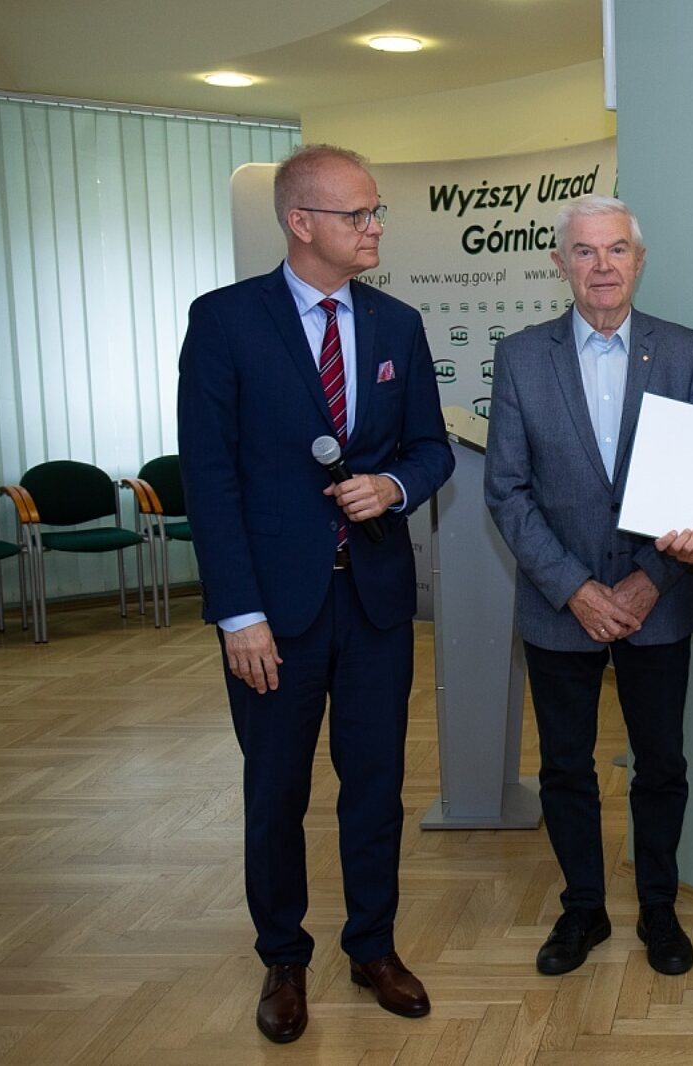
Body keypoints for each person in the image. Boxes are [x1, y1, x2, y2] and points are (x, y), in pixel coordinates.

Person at [178, 144, 454, 1043]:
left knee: (375, 787)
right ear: (301, 223)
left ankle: (372, 946)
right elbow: (210, 479)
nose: (375, 228)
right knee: (276, 793)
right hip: (273, 614)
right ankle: (284, 959)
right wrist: (239, 614)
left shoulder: (397, 324)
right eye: (357, 214)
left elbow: (432, 449)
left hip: (374, 603)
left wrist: (395, 486)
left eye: (376, 213)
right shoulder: (225, 321)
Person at [484, 195, 693, 978]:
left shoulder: (682, 350)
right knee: (564, 768)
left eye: (616, 249)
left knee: (662, 765)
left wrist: (651, 580)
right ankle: (583, 907)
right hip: (560, 609)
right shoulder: (521, 356)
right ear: (561, 263)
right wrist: (578, 589)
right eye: (584, 251)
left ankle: (658, 908)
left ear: (638, 261)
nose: (602, 265)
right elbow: (506, 491)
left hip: (660, 603)